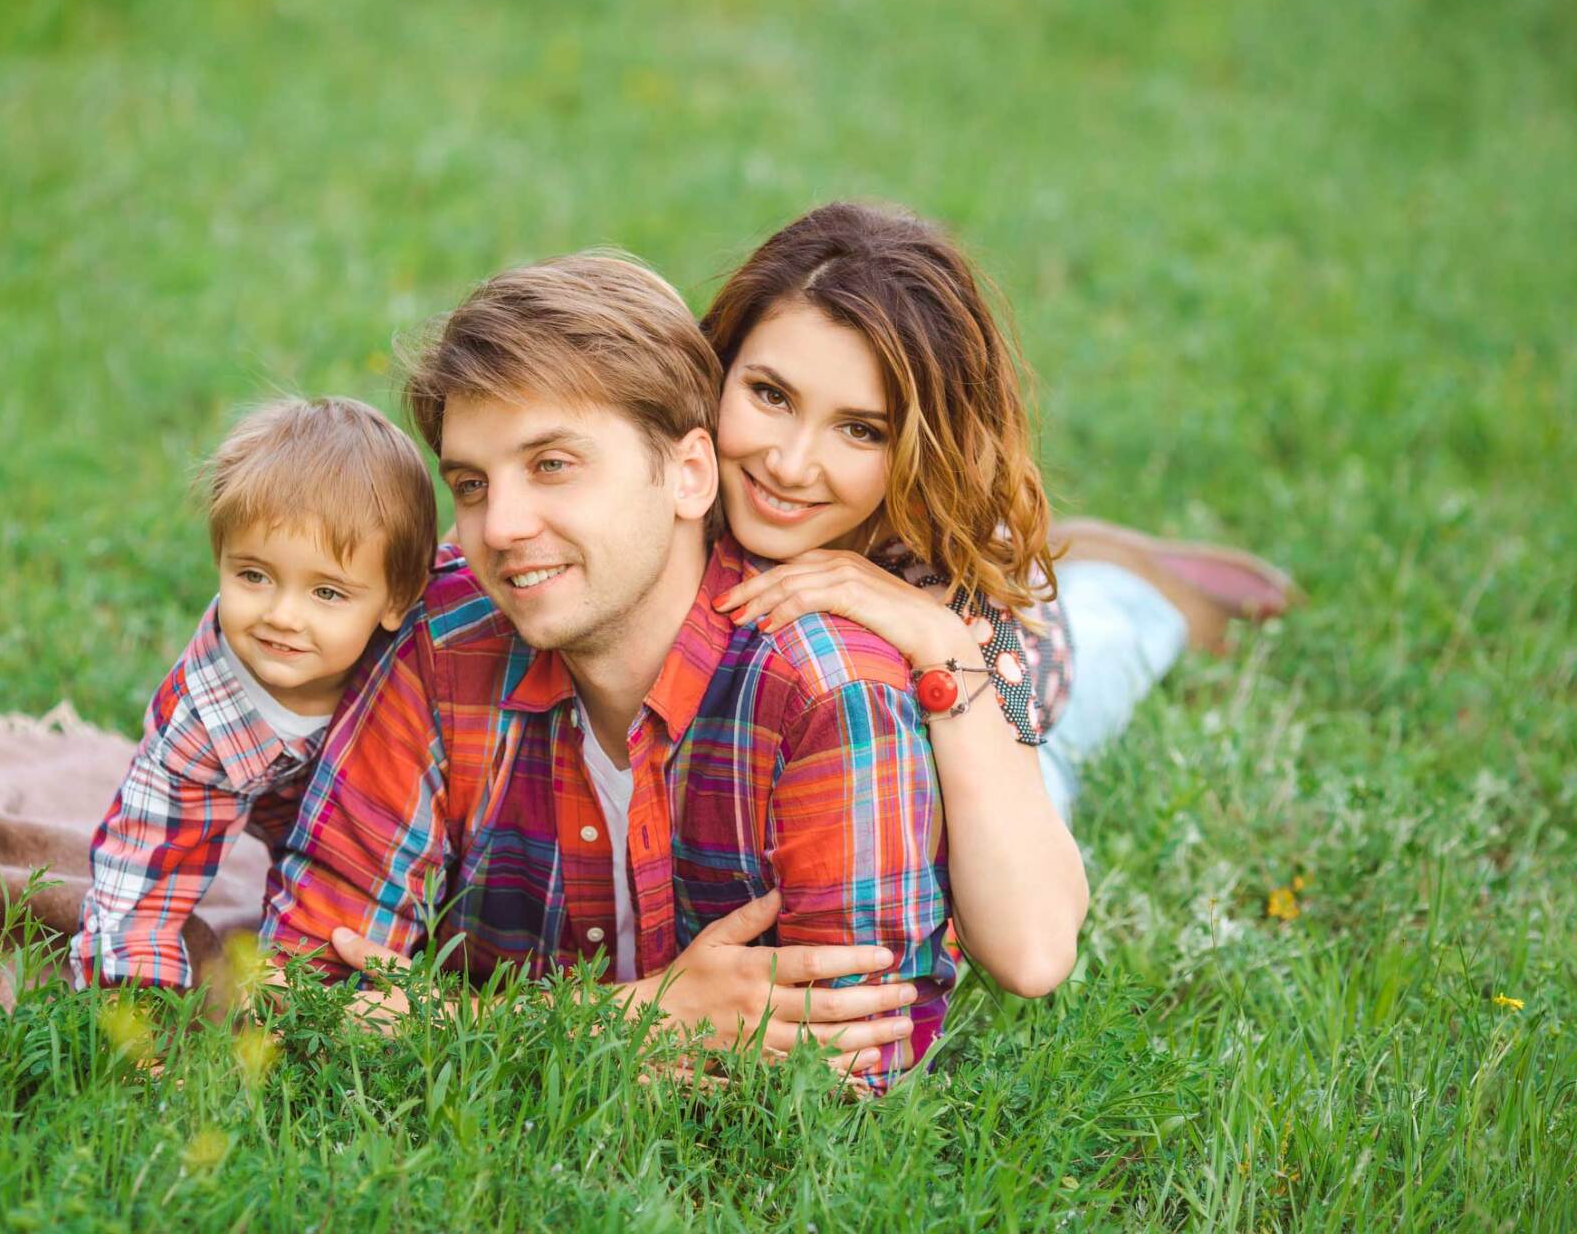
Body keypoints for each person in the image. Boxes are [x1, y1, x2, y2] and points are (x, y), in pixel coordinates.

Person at [263, 255, 946, 1089]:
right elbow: (295, 998)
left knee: (1090, 653)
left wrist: (437, 1025)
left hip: (979, 688)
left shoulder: (827, 690)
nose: (501, 528)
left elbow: (853, 1069)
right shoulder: (444, 642)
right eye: (472, 485)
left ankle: (1123, 583)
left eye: (553, 464)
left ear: (690, 474)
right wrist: (640, 1023)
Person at [702, 202, 1293, 991]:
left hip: (1013, 697)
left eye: (861, 430)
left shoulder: (949, 585)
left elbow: (1033, 955)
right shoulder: (681, 469)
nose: (789, 463)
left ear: (921, 447)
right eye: (771, 395)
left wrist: (943, 641)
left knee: (1096, 682)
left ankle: (1133, 592)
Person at [71, 396, 437, 989]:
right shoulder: (201, 722)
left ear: (397, 599)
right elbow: (139, 886)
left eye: (327, 593)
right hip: (289, 820)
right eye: (253, 576)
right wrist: (134, 1018)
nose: (282, 616)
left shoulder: (424, 653)